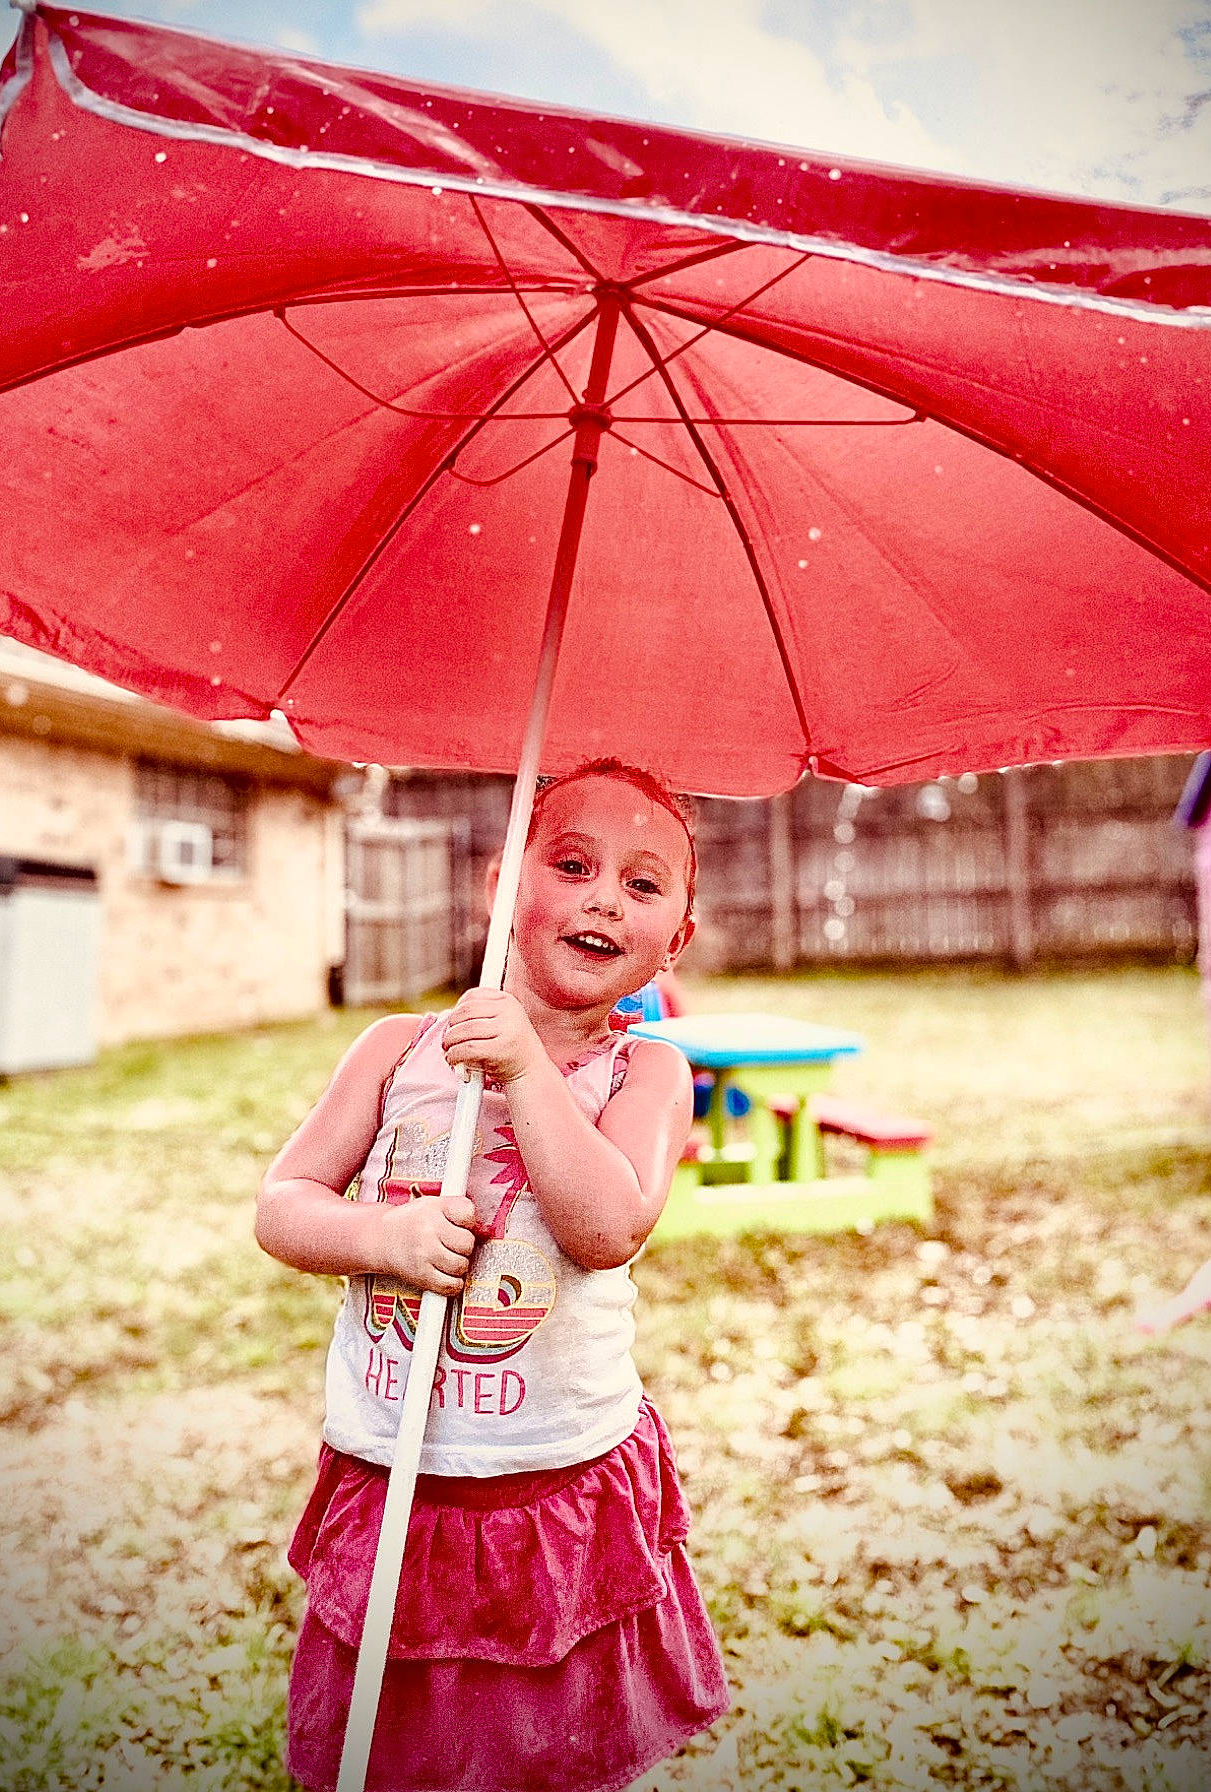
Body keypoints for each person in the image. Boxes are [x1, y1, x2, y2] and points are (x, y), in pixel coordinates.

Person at [255, 759, 730, 1792]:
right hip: (401, 1475)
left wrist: (525, 1072)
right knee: (393, 1748)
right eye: (571, 863)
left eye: (643, 884)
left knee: (548, 1753)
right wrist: (382, 1239)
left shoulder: (645, 1072)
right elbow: (281, 1204)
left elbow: (608, 1224)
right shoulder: (397, 1049)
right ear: (501, 889)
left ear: (674, 940)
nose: (605, 894)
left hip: (555, 1478)